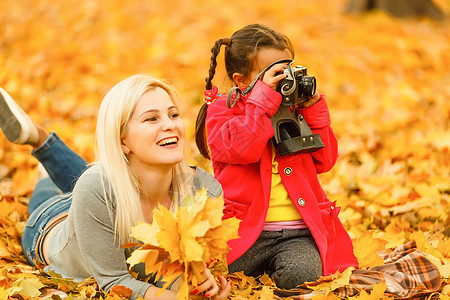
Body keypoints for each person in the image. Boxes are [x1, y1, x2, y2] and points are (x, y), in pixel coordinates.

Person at [0, 75, 231, 300]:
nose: (170, 125)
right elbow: (113, 280)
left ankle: (46, 152)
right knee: (78, 185)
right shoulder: (95, 187)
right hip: (50, 223)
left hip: (100, 196)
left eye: (173, 114)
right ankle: (43, 155)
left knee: (97, 178)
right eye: (152, 119)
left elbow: (175, 272)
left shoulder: (204, 191)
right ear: (122, 141)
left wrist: (201, 284)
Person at [195, 24, 358, 290]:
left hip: (297, 233)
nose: (284, 81)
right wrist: (262, 103)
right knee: (217, 276)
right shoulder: (223, 112)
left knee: (302, 275)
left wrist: (314, 111)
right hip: (243, 232)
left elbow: (325, 161)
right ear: (242, 80)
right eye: (274, 75)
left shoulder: (296, 110)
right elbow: (242, 149)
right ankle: (261, 275)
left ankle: (273, 275)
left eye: (288, 71)